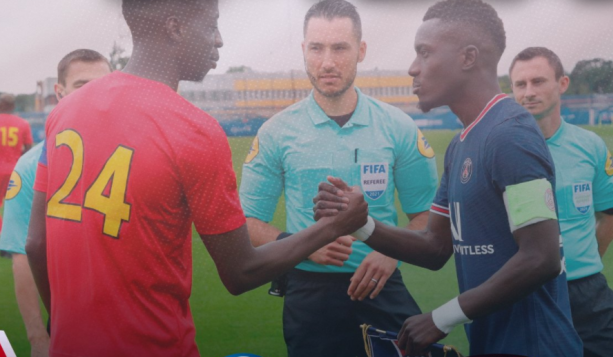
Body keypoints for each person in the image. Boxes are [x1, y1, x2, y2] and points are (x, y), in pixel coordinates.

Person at [24, 1, 368, 356]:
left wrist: (63, 324)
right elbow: (241, 272)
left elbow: (36, 243)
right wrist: (333, 226)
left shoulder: (64, 112)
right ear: (174, 28)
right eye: (212, 25)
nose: (219, 40)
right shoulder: (193, 131)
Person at [313, 1, 583, 356]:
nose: (413, 68)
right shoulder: (461, 145)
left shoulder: (510, 134)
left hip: (537, 345)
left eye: (424, 53)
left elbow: (541, 257)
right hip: (492, 342)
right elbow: (435, 248)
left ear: (468, 58)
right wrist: (360, 224)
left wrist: (443, 316)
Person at [239, 1, 438, 356]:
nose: (327, 62)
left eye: (340, 47)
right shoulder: (276, 133)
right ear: (304, 50)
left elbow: (427, 216)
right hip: (308, 291)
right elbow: (246, 220)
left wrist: (392, 254)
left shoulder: (397, 127)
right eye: (316, 48)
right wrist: (301, 244)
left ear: (361, 51)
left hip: (381, 284)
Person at [509, 46, 613, 357]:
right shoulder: (498, 149)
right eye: (520, 85)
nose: (529, 92)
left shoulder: (590, 146)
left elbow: (609, 216)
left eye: (538, 81)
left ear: (562, 84)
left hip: (586, 294)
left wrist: (582, 266)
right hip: (523, 293)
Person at [0, 48, 112, 357]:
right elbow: (24, 255)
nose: (92, 94)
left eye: (101, 85)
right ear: (59, 92)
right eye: (81, 85)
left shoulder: (139, 155)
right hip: (69, 320)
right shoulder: (31, 165)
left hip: (141, 321)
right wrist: (38, 338)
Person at [0, 93, 34, 234]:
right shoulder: (22, 123)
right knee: (16, 206)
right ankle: (13, 238)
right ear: (13, 106)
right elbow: (28, 150)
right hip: (15, 171)